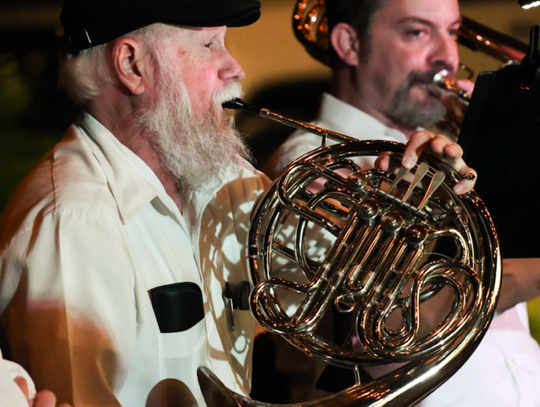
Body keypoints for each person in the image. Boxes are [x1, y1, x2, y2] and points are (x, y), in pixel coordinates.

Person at [0, 0, 477, 405]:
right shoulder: (76, 223)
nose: (235, 68)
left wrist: (409, 200)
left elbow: (343, 315)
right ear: (132, 66)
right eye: (210, 45)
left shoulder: (223, 183)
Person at [265, 0, 540, 405]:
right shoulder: (312, 162)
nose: (447, 57)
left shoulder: (452, 147)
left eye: (453, 31)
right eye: (417, 32)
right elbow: (388, 331)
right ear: (349, 44)